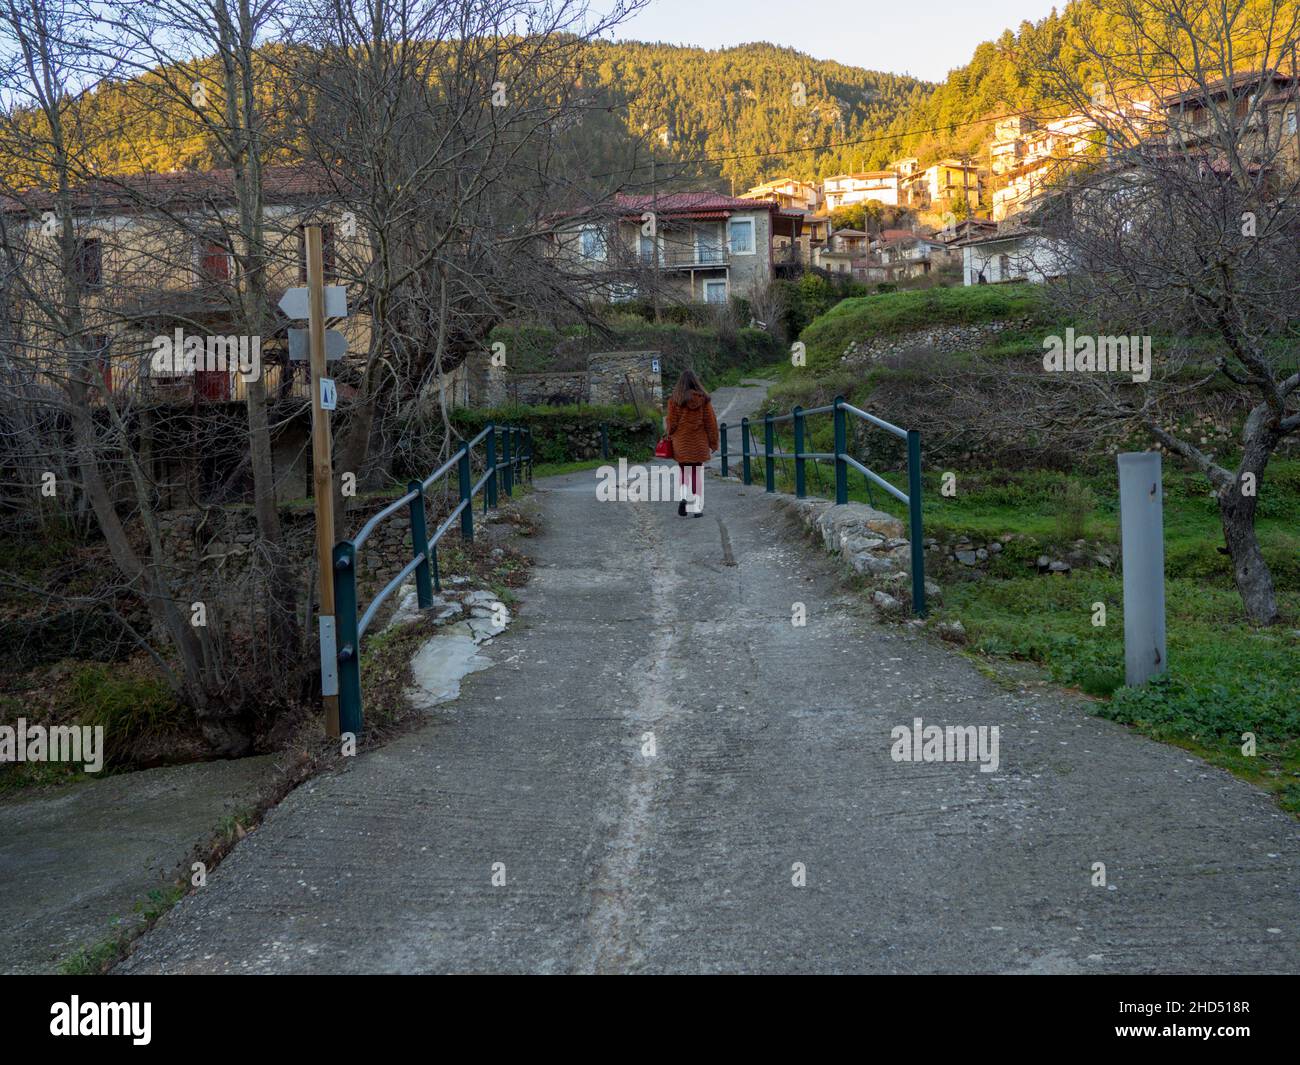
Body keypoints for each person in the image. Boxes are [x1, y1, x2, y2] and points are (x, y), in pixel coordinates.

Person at [665, 369, 719, 517]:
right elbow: (711, 423)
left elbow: (671, 424)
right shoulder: (704, 400)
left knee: (684, 472)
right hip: (699, 443)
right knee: (696, 474)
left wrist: (670, 434)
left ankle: (683, 498)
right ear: (696, 382)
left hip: (681, 443)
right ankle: (696, 508)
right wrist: (713, 442)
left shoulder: (675, 400)